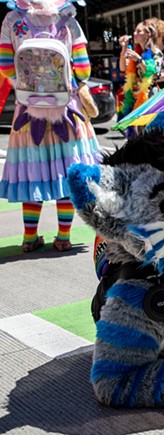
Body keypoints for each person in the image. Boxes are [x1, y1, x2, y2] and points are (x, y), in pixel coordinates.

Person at [0, 0, 102, 252]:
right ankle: (64, 237)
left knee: (33, 173)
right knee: (68, 173)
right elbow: (83, 68)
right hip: (67, 112)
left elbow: (5, 66)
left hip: (27, 113)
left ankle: (29, 238)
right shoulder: (68, 19)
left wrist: (26, 88)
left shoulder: (12, 20)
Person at [117, 21, 164, 138]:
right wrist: (124, 49)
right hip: (135, 96)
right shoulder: (137, 52)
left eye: (139, 31)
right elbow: (123, 68)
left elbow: (155, 74)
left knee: (147, 133)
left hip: (149, 96)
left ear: (148, 34)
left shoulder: (156, 53)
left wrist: (139, 60)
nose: (134, 33)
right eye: (134, 31)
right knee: (135, 134)